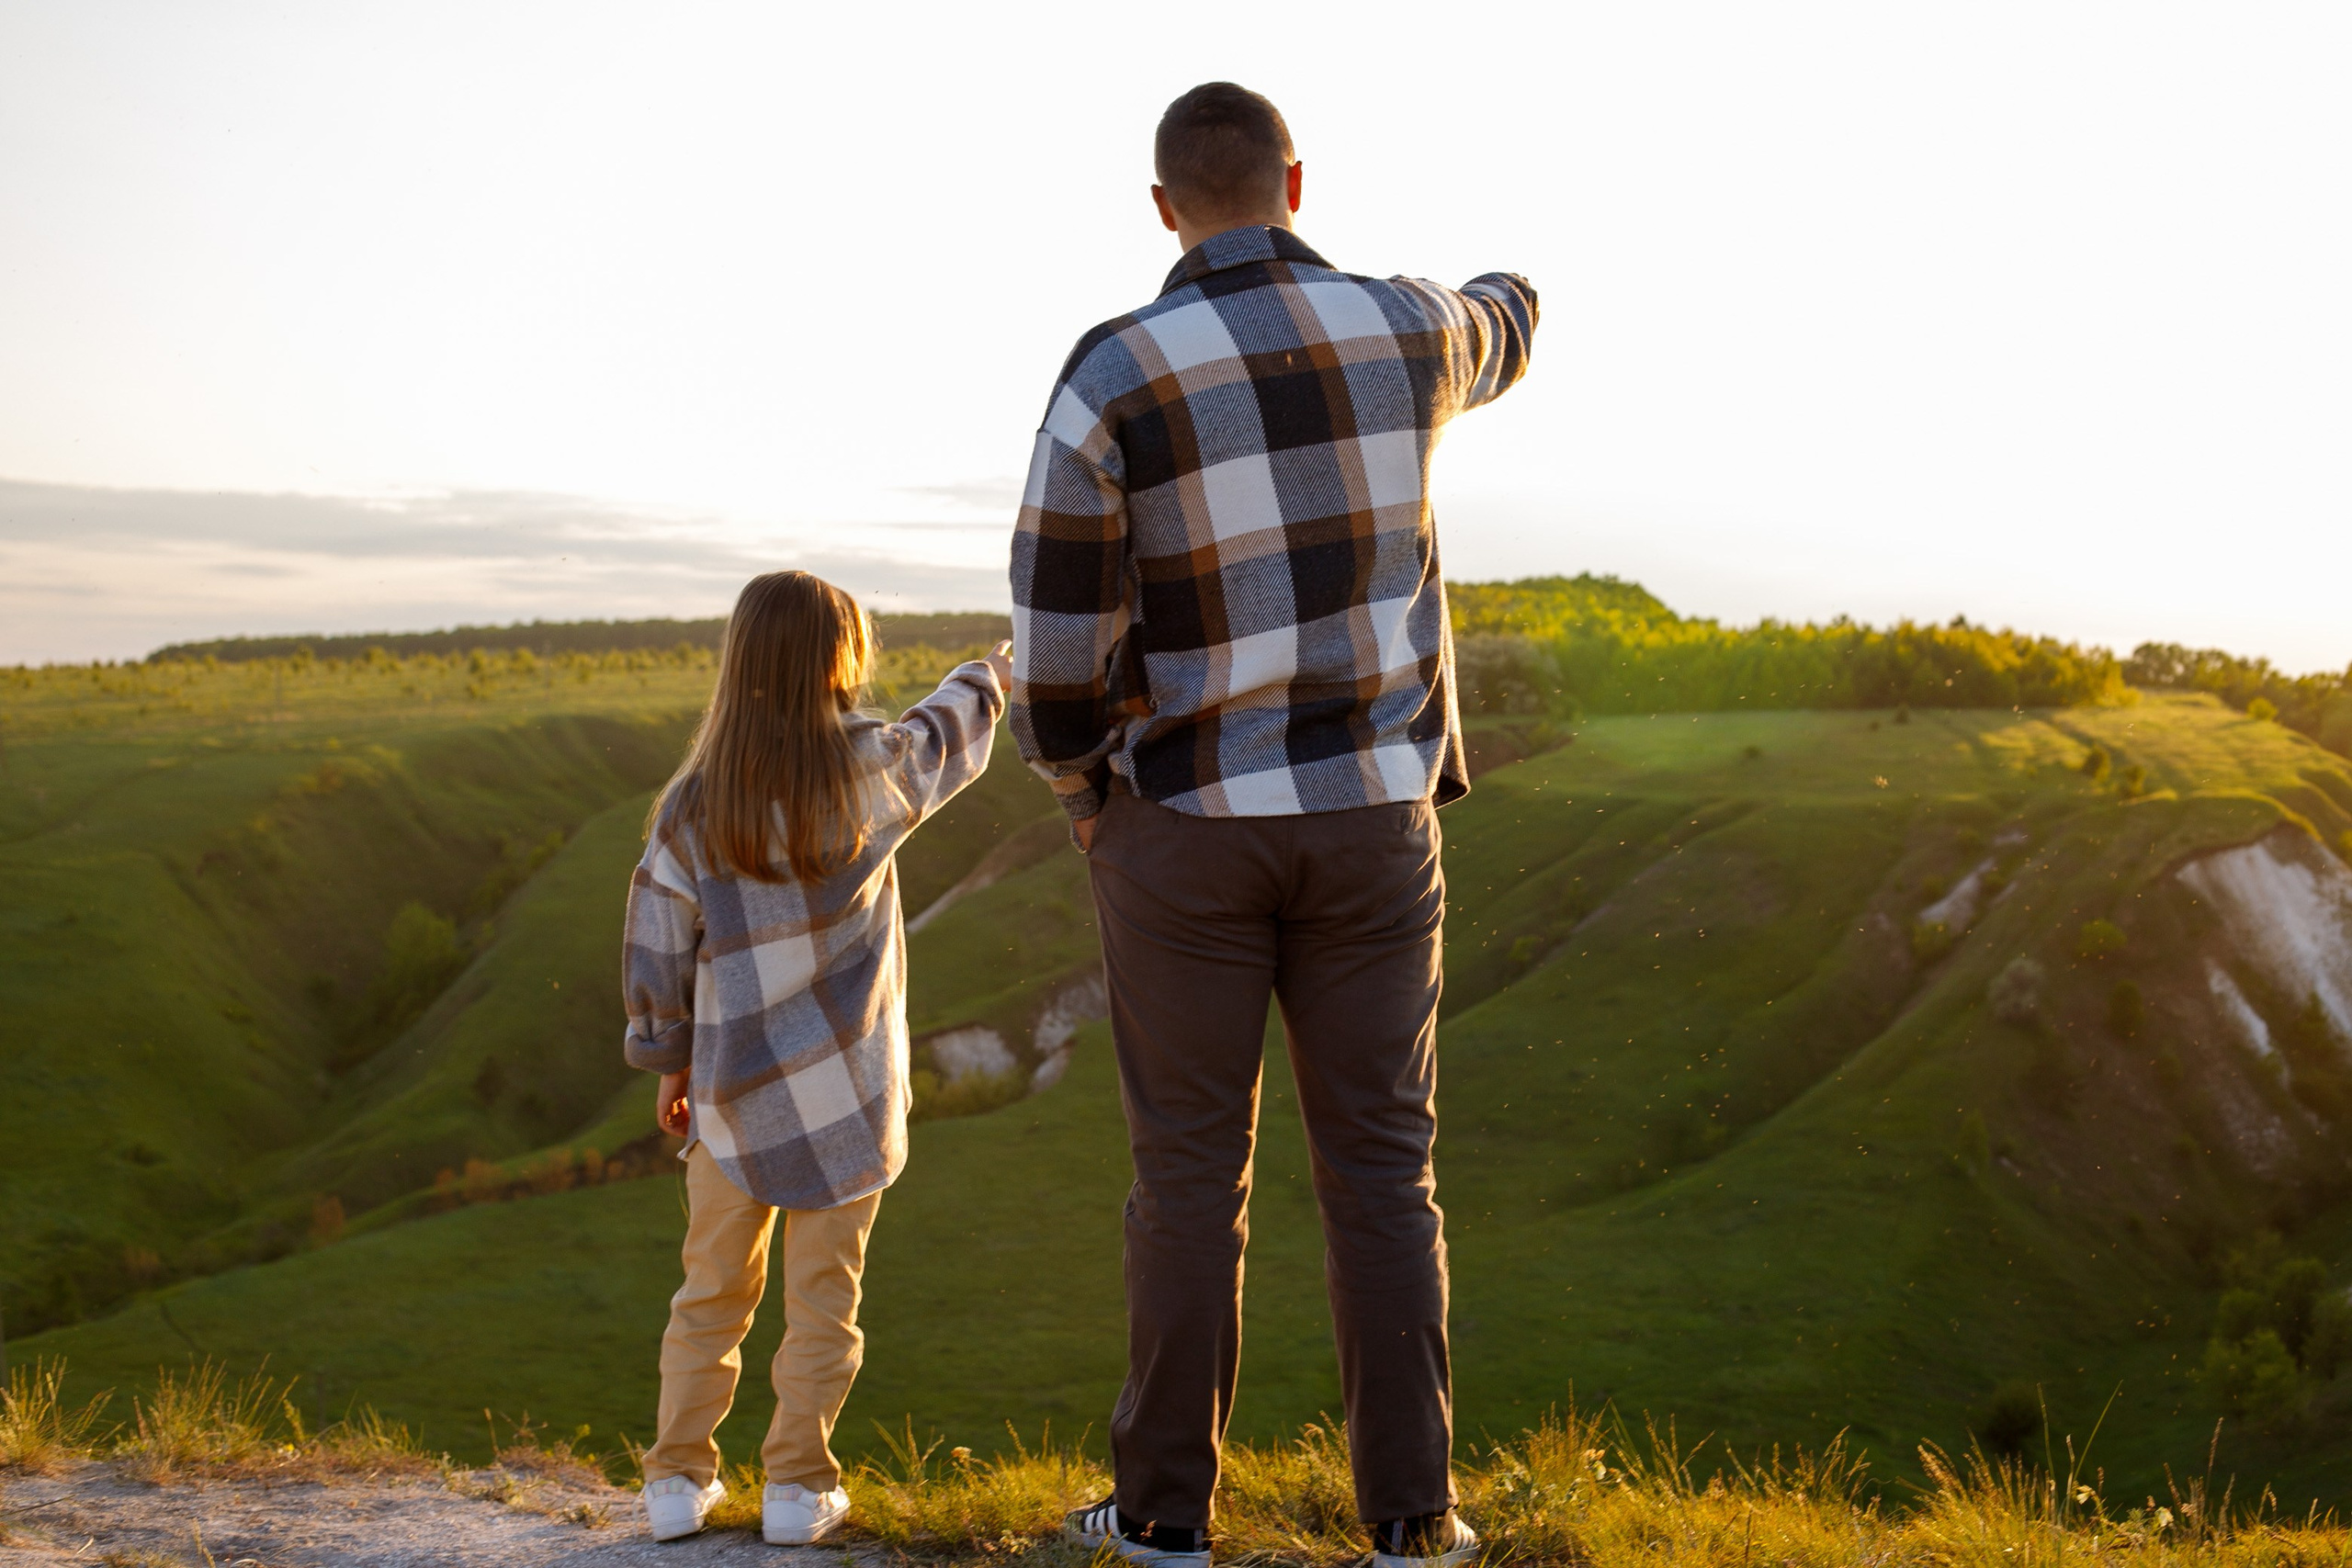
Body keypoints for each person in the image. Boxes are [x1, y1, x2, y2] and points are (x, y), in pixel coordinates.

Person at [1009, 82, 1538, 1568]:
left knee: (1188, 1171)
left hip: (1184, 822)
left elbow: (1053, 633)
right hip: (1376, 818)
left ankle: (1166, 1515)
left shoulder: (1113, 373)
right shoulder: (1414, 332)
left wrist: (1078, 788)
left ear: (1167, 208)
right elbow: (1513, 309)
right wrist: (1485, 301)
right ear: (1295, 181)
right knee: (1384, 1164)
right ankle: (1415, 1521)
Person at [621, 570, 1010, 1546]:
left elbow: (656, 948)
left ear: (738, 662)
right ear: (843, 660)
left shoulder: (691, 807)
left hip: (730, 1099)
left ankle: (675, 1480)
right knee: (823, 1305)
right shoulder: (875, 772)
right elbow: (948, 728)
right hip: (847, 1095)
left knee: (708, 1294)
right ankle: (797, 1489)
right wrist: (997, 668)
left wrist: (670, 1061)